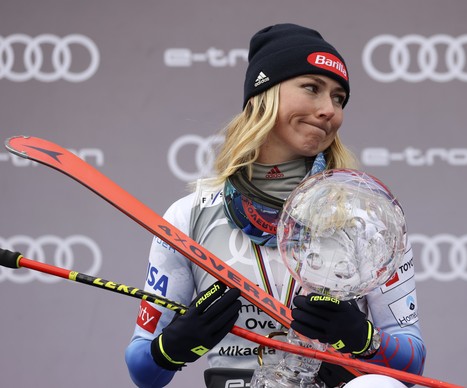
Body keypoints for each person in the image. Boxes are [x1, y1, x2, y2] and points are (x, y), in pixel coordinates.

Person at [125, 23, 426, 388]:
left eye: (338, 98)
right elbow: (143, 369)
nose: (329, 109)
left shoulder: (365, 216)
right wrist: (173, 346)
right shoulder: (190, 215)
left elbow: (412, 362)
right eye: (312, 88)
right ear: (264, 94)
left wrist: (362, 338)